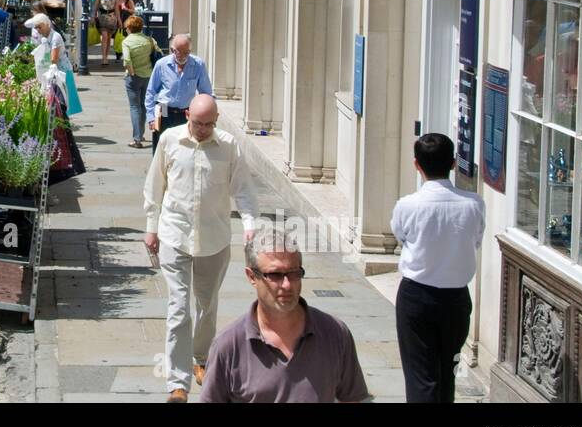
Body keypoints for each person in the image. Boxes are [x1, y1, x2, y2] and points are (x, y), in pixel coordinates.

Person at [144, 94, 258, 402]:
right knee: (179, 308)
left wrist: (250, 226)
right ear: (186, 115)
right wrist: (151, 228)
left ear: (217, 120)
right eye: (197, 123)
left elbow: (244, 191)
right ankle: (177, 383)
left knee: (207, 306)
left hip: (214, 239)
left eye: (209, 124)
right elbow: (155, 186)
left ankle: (202, 358)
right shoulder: (169, 140)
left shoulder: (229, 146)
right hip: (174, 235)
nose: (203, 129)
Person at [201, 223, 371, 403]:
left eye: (294, 273)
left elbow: (351, 398)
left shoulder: (335, 334)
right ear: (252, 277)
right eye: (275, 275)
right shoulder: (229, 346)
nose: (287, 285)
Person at [391, 133, 486, 404]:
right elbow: (476, 240)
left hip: (416, 297)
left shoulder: (408, 205)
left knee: (420, 374)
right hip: (456, 298)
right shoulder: (474, 204)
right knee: (448, 372)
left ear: (416, 165)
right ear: (454, 163)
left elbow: (401, 236)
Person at [145, 34, 212, 155]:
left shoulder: (198, 65)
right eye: (179, 52)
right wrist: (151, 118)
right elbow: (151, 91)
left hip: (186, 113)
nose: (183, 56)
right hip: (164, 111)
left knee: (184, 149)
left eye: (186, 52)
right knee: (161, 148)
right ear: (172, 50)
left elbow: (206, 93)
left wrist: (207, 115)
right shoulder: (161, 64)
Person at [27, 14, 82, 116]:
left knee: (64, 100)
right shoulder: (46, 36)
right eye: (36, 28)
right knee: (61, 100)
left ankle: (64, 124)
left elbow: (53, 59)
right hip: (57, 70)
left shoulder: (55, 37)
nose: (38, 30)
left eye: (40, 27)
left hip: (62, 71)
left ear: (47, 24)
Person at [121, 15, 159, 148]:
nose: (126, 30)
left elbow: (127, 60)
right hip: (148, 76)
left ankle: (137, 139)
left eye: (126, 28)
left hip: (133, 77)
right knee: (144, 105)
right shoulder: (149, 40)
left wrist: (131, 73)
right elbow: (159, 54)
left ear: (129, 28)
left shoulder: (127, 42)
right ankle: (141, 134)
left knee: (134, 107)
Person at [91, 0, 122, 66]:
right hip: (102, 17)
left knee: (108, 38)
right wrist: (93, 16)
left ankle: (106, 56)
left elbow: (116, 8)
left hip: (112, 17)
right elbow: (96, 5)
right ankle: (104, 57)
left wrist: (119, 20)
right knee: (104, 35)